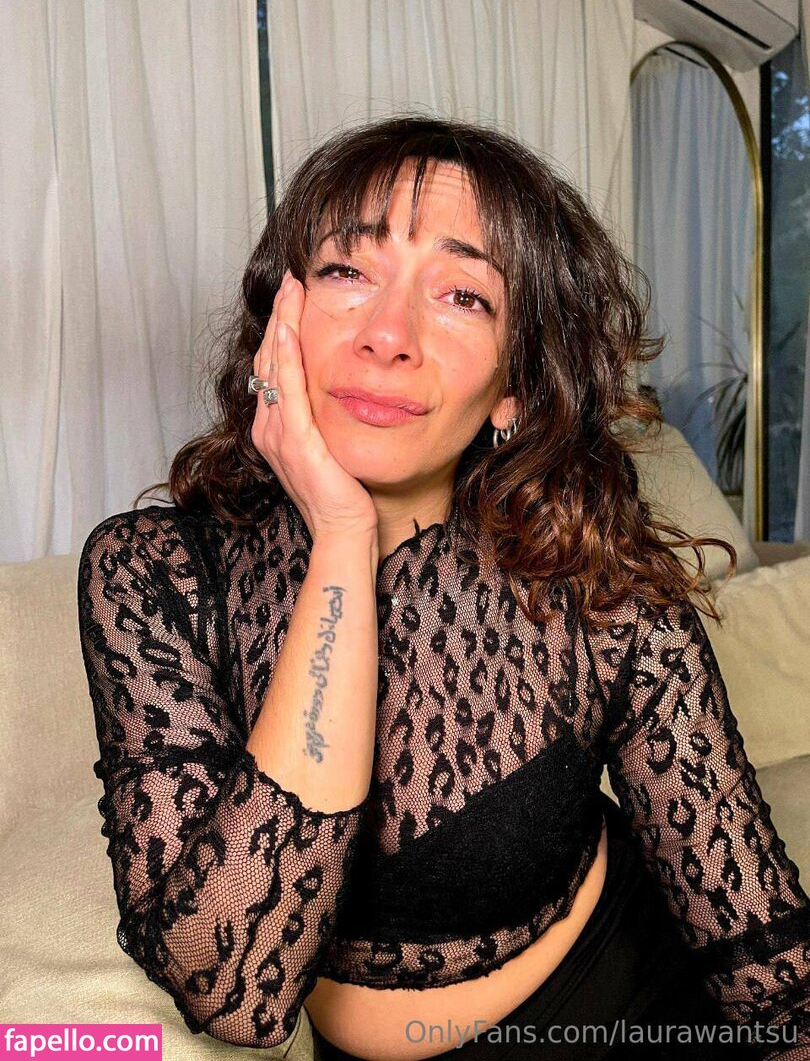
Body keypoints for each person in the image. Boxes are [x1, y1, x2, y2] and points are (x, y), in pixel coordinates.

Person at [76, 115, 809, 1061]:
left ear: (513, 389)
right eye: (348, 271)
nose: (389, 335)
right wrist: (343, 537)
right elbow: (232, 988)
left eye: (464, 295)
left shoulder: (598, 588)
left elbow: (771, 970)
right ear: (282, 321)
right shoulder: (153, 573)